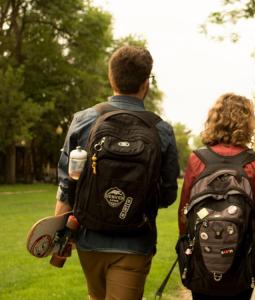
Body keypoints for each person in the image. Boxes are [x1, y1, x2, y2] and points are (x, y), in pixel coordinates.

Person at [54, 46, 180, 299]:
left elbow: (67, 184)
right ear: (146, 83)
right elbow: (168, 195)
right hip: (135, 242)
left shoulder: (84, 120)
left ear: (111, 78)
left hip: (89, 241)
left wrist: (58, 234)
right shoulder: (161, 129)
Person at [178, 93, 255, 300]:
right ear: (248, 123)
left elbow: (184, 216)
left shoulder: (197, 160)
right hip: (242, 267)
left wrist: (189, 258)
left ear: (214, 119)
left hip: (202, 263)